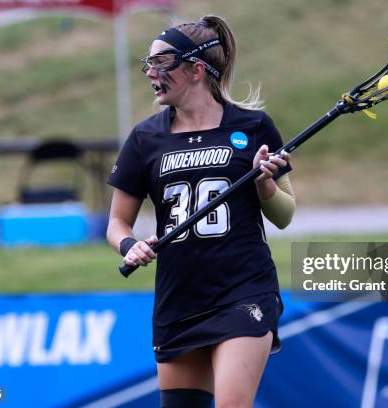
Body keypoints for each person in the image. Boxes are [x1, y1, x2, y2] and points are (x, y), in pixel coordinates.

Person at [106, 15, 296, 408]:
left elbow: (285, 214)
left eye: (162, 63)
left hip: (243, 290)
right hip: (180, 299)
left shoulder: (254, 126)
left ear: (195, 69)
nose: (151, 73)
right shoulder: (145, 138)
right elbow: (116, 222)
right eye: (149, 63)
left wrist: (264, 183)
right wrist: (129, 245)